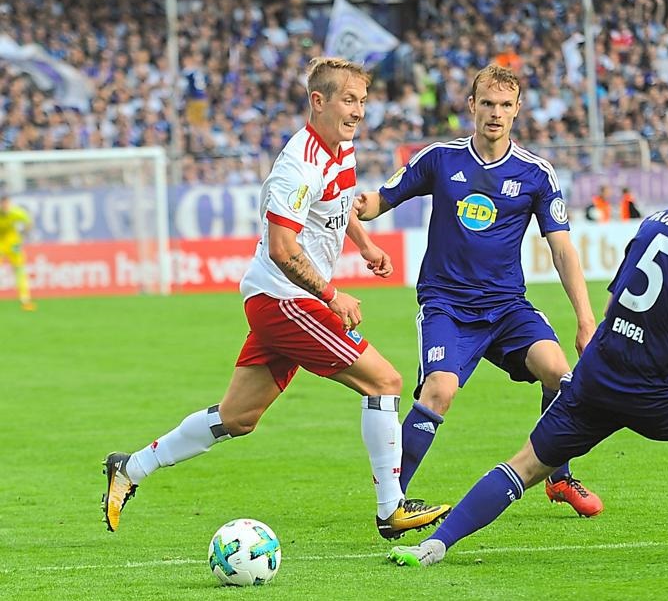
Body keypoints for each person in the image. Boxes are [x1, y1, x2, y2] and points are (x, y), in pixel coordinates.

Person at [386, 142, 668, 567]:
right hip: (661, 395)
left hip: (596, 378)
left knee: (524, 464)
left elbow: (615, 300)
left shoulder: (657, 222)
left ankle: (433, 546)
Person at [102, 57, 450, 539]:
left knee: (237, 418)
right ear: (318, 101)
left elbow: (342, 201)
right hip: (285, 299)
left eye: (363, 101)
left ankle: (130, 468)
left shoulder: (341, 147)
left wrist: (366, 245)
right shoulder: (297, 166)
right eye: (348, 100)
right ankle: (390, 510)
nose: (358, 112)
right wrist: (332, 295)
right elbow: (285, 249)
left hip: (279, 301)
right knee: (385, 383)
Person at [355, 65, 603, 517]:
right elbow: (381, 199)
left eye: (505, 105)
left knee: (559, 374)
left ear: (517, 111)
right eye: (487, 103)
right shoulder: (440, 158)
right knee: (439, 391)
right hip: (447, 305)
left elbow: (563, 250)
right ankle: (392, 502)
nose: (495, 113)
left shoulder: (536, 174)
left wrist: (586, 320)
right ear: (471, 106)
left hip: (507, 307)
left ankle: (559, 476)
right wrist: (357, 203)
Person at [0, 194, 36, 311]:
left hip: (13, 244)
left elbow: (29, 221)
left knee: (19, 270)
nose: (5, 206)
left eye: (6, 203)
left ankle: (25, 299)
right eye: (2, 203)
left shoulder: (16, 212)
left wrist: (23, 234)